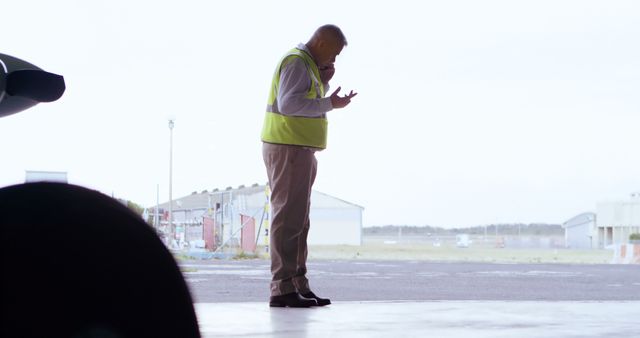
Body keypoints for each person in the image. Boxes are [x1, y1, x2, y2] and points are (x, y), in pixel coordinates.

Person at [261, 24, 357, 308]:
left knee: (299, 221)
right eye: (335, 54)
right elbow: (289, 104)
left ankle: (297, 284)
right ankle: (282, 289)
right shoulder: (296, 62)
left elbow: (302, 100)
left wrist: (324, 84)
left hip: (299, 150)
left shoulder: (308, 66)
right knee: (287, 219)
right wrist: (329, 103)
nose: (334, 60)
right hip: (288, 149)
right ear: (323, 44)